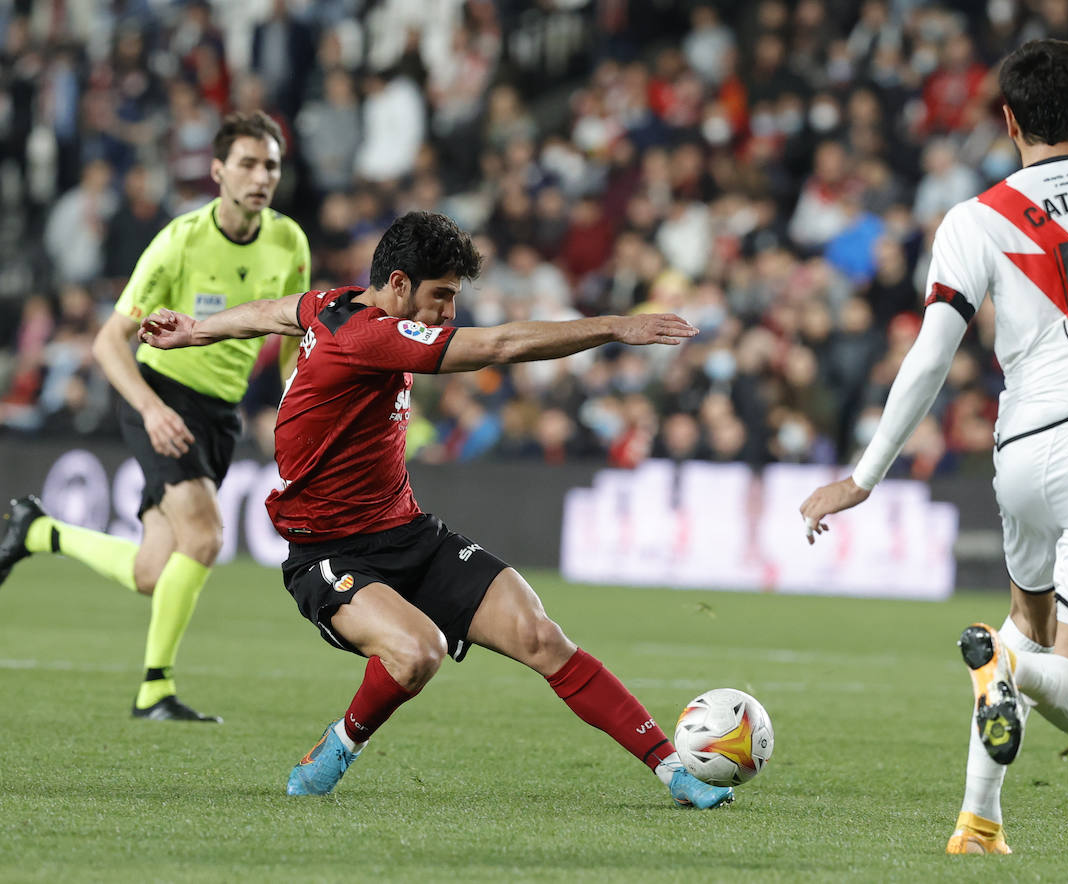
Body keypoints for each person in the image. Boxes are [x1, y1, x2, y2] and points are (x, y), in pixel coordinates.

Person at [134, 211, 735, 808]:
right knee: (418, 651)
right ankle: (339, 745)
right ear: (398, 284)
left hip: (408, 534)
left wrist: (197, 330)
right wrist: (612, 327)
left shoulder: (333, 304)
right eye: (441, 295)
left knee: (540, 635)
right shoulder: (369, 335)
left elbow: (274, 310)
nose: (449, 312)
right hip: (328, 554)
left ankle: (674, 771)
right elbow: (497, 344)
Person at [798, 40, 1068, 854]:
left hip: (1020, 453)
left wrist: (863, 476)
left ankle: (978, 819)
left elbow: (930, 356)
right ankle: (1006, 670)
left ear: (1007, 121)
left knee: (1025, 622)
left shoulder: (974, 217)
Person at [0, 112, 310, 722]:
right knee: (205, 535)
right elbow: (108, 342)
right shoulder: (180, 240)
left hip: (219, 414)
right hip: (160, 393)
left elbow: (296, 336)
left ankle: (38, 532)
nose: (260, 176)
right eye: (247, 163)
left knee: (151, 570)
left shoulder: (289, 242)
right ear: (218, 170)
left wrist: (296, 406)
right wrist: (150, 407)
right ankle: (155, 690)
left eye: (270, 165)